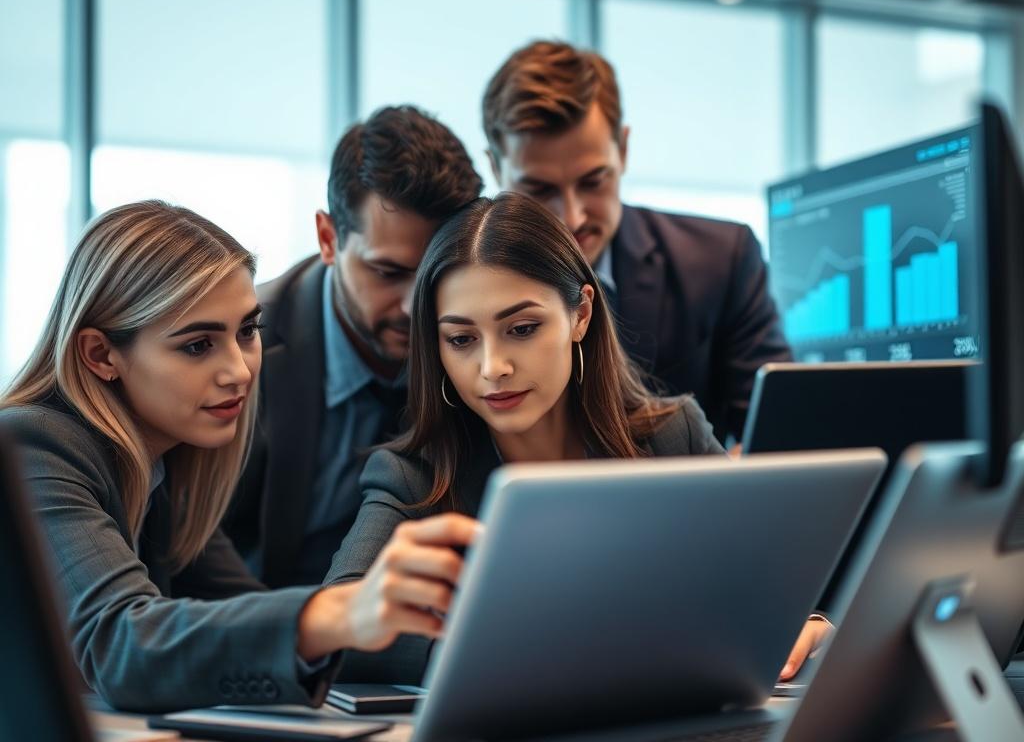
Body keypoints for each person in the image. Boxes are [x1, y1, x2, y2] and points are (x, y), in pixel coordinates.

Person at [323, 192, 829, 685]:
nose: (492, 368)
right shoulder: (413, 475)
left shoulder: (676, 435)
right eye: (461, 339)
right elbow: (337, 625)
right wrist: (505, 649)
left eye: (522, 328)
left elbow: (772, 587)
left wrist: (809, 625)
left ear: (580, 315)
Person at [0, 200, 478, 712]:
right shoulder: (33, 445)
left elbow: (241, 616)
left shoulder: (167, 468)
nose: (241, 370)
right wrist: (341, 609)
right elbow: (124, 646)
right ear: (99, 354)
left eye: (247, 332)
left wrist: (459, 638)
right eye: (197, 345)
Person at [482, 40, 792, 444]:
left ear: (624, 149)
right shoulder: (461, 281)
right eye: (539, 189)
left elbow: (775, 436)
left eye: (594, 181)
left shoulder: (719, 261)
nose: (572, 216)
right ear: (494, 167)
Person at [224, 105, 483, 588]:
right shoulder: (237, 350)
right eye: (388, 272)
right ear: (328, 238)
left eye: (436, 276)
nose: (414, 307)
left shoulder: (478, 345)